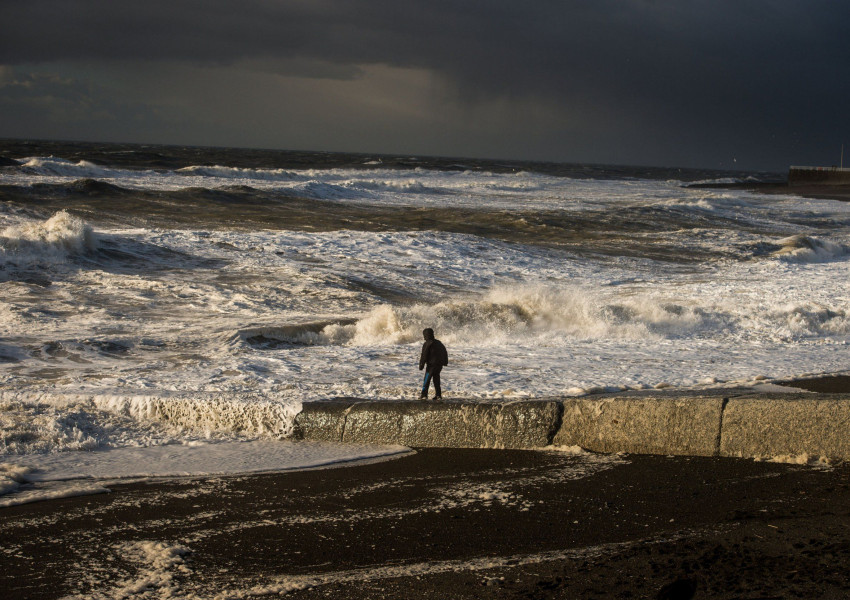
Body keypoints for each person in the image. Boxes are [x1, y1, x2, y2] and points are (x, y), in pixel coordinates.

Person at [419, 328, 448, 400]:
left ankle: (424, 395)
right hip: (439, 365)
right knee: (436, 379)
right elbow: (444, 352)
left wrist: (421, 364)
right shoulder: (439, 343)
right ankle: (438, 395)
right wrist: (445, 362)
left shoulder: (427, 343)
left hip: (431, 365)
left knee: (427, 379)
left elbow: (424, 355)